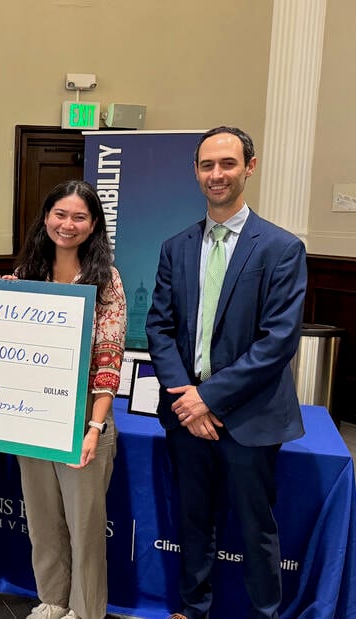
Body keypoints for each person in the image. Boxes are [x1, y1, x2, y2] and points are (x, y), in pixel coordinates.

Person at [145, 126, 307, 619]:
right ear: (196, 171)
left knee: (255, 529)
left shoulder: (281, 248)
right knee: (193, 522)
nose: (217, 174)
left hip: (249, 417)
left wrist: (208, 399)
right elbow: (159, 325)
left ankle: (264, 615)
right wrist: (186, 398)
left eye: (227, 164)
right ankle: (194, 610)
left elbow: (277, 342)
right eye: (207, 165)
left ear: (249, 168)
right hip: (185, 413)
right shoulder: (176, 246)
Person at [11, 180, 126, 619]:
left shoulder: (106, 280)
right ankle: (53, 600)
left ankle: (85, 610)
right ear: (46, 218)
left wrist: (95, 428)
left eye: (80, 216)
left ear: (93, 224)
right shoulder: (26, 276)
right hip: (32, 419)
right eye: (60, 214)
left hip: (83, 422)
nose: (68, 224)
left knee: (85, 527)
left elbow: (108, 361)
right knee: (42, 522)